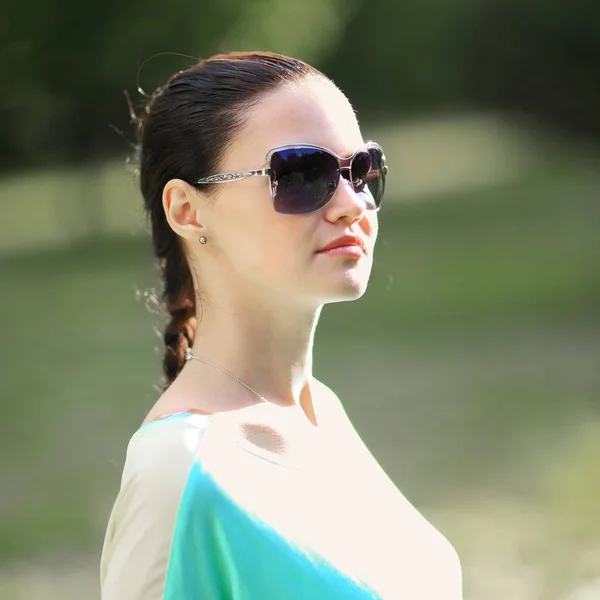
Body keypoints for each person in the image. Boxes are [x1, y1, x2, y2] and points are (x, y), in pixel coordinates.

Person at [100, 51, 462, 599]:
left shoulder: (321, 410)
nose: (351, 205)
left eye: (361, 170)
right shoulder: (179, 472)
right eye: (298, 174)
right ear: (188, 211)